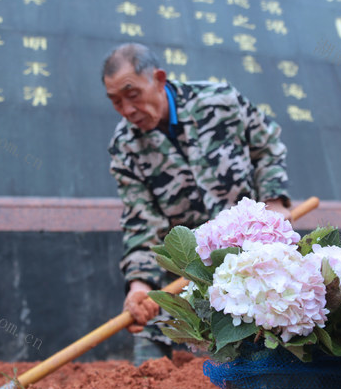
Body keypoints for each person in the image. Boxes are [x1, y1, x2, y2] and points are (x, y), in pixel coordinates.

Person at [102, 43, 291, 360]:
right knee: (147, 363)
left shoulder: (220, 101)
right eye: (116, 101)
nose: (127, 109)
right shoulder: (125, 147)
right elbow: (141, 223)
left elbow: (267, 147)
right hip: (187, 276)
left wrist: (274, 200)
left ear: (159, 79)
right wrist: (139, 285)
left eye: (132, 95)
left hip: (252, 257)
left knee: (274, 344)